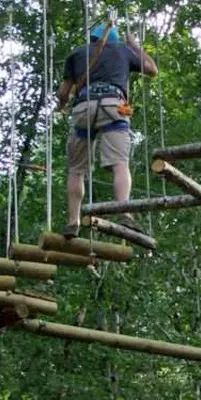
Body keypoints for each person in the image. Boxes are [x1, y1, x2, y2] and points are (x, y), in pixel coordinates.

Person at [56, 23, 158, 239]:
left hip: (84, 107)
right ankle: (124, 212)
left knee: (76, 170)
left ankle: (73, 222)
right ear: (115, 39)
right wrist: (134, 46)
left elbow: (63, 92)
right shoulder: (123, 50)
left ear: (92, 39)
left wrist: (62, 104)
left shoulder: (76, 53)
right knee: (120, 163)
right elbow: (152, 69)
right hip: (114, 105)